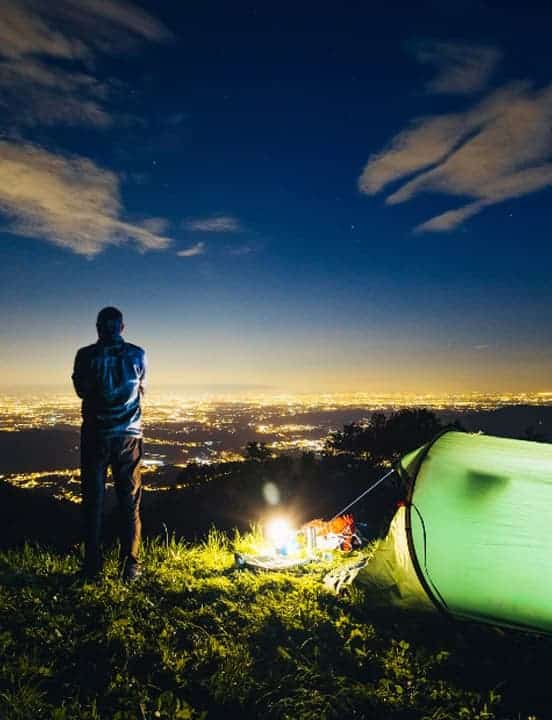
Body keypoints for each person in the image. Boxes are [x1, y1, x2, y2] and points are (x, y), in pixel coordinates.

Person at [72, 307, 146, 582]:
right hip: (128, 436)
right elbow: (141, 386)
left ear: (98, 328)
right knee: (130, 502)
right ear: (122, 328)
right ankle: (130, 566)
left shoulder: (85, 355)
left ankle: (93, 566)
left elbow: (81, 390)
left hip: (95, 435)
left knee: (93, 501)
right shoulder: (138, 354)